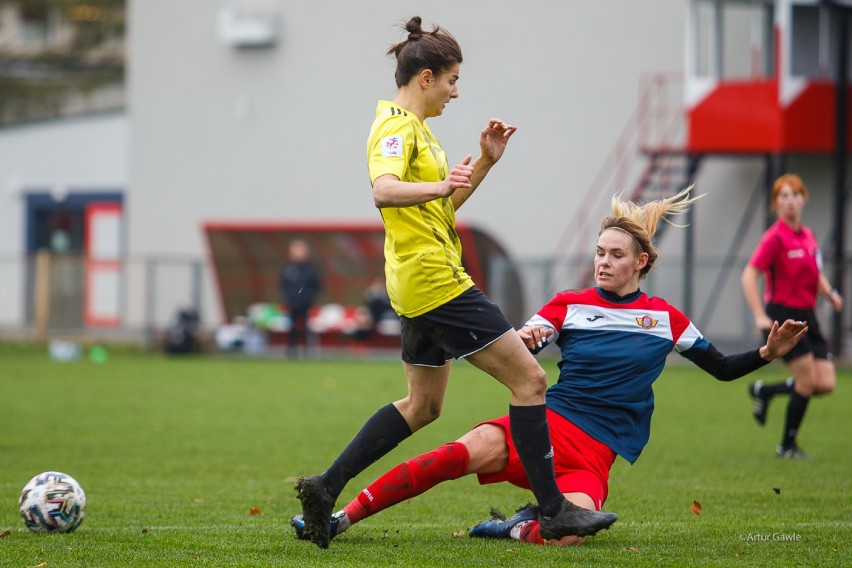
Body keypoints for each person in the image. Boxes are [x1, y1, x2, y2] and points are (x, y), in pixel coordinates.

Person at [290, 187, 807, 547]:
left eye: (616, 255)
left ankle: (514, 526)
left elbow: (719, 368)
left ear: (641, 262)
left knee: (570, 538)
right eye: (599, 252)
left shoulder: (666, 318)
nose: (604, 262)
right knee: (451, 456)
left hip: (595, 453)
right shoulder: (569, 304)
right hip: (547, 423)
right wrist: (528, 338)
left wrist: (766, 355)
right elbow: (519, 358)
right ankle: (339, 519)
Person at [293, 15, 617, 549]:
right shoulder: (396, 126)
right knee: (531, 381)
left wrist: (484, 165)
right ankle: (555, 510)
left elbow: (436, 210)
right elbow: (384, 190)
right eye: (452, 80)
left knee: (423, 407)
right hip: (437, 282)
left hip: (417, 284)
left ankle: (326, 488)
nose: (456, 91)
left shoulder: (421, 132)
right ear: (425, 77)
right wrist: (442, 181)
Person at [741, 173, 841, 459]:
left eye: (794, 194)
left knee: (825, 384)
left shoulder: (809, 236)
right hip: (783, 316)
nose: (790, 200)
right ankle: (787, 446)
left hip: (808, 315)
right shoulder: (774, 238)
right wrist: (759, 315)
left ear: (803, 198)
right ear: (776, 203)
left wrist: (830, 293)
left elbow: (816, 272)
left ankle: (765, 391)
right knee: (807, 382)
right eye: (783, 196)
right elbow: (748, 276)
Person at [279, 239, 322, 357]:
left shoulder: (310, 268)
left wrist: (306, 297)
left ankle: (308, 351)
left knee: (306, 327)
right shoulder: (288, 267)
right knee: (291, 328)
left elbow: (315, 285)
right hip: (292, 303)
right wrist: (289, 297)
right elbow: (283, 285)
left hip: (306, 304)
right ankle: (291, 350)